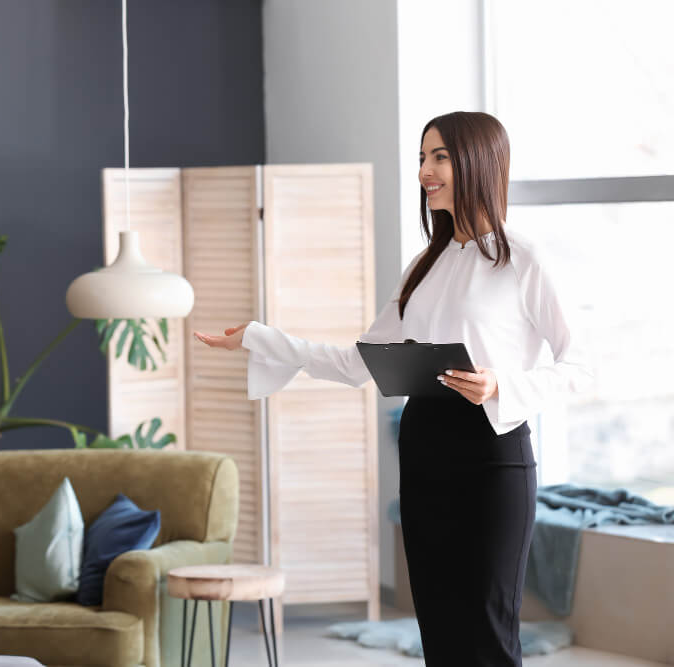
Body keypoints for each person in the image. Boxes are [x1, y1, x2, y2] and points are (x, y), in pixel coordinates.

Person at [194, 111, 591, 665]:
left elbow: (580, 365)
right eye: (422, 158)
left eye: (440, 157)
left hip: (491, 456)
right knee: (440, 623)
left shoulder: (521, 258)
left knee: (487, 624)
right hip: (425, 448)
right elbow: (358, 363)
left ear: (479, 161)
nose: (425, 171)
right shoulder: (422, 267)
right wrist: (261, 339)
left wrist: (502, 384)